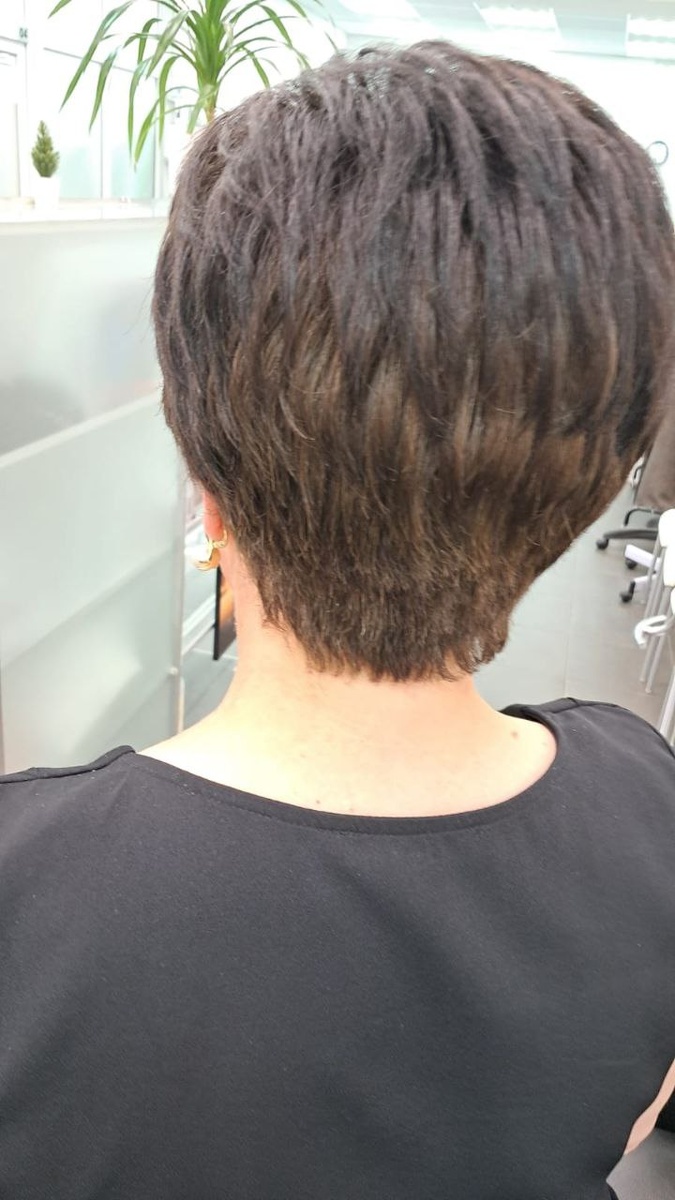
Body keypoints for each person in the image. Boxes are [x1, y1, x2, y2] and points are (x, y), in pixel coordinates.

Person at [1, 41, 674, 1200]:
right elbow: (631, 1119)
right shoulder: (648, 810)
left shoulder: (27, 896)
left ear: (204, 494)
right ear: (577, 494)